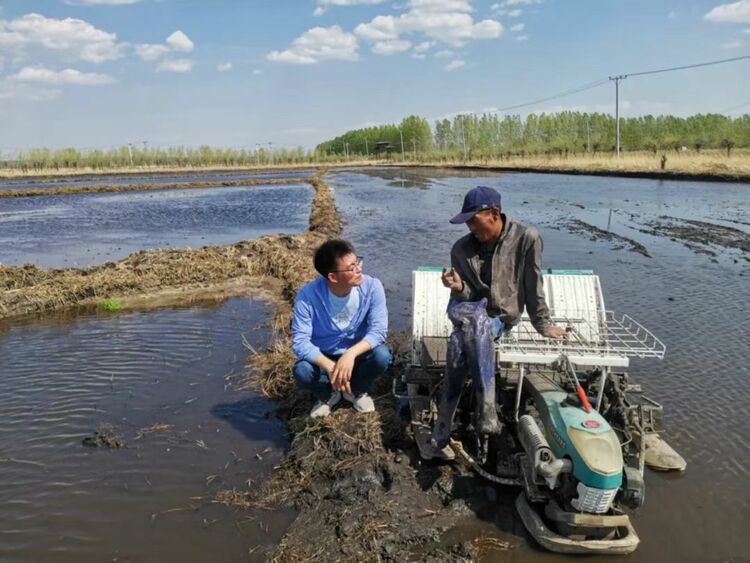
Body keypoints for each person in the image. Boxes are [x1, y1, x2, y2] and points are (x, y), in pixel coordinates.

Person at [431, 186, 565, 448]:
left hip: (498, 315)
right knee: (475, 320)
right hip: (465, 309)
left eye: (473, 220)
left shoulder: (527, 238)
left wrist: (543, 324)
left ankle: (444, 423)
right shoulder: (460, 249)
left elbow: (532, 284)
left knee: (460, 342)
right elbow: (465, 295)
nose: (470, 227)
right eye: (467, 221)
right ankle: (487, 411)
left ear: (494, 213)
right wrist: (457, 287)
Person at [291, 239, 392, 418]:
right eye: (351, 267)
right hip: (324, 356)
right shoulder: (307, 296)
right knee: (302, 371)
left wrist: (350, 354)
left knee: (382, 356)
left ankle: (357, 390)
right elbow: (300, 342)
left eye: (358, 262)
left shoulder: (372, 287)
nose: (359, 269)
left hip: (357, 353)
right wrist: (331, 367)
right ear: (333, 277)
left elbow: (379, 331)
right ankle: (328, 394)